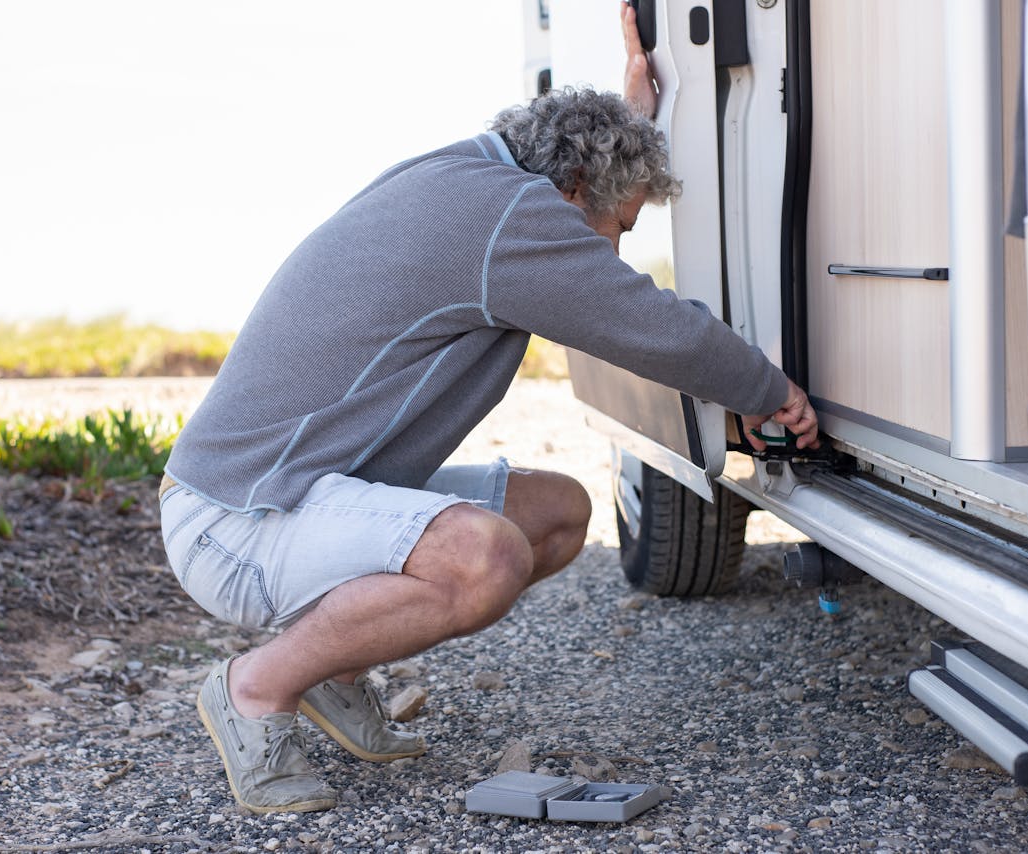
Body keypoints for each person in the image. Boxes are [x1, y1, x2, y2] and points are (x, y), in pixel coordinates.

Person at [158, 4, 819, 814]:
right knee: (486, 559)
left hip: (292, 492)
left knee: (557, 513)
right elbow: (650, 325)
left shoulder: (477, 181)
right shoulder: (510, 219)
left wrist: (632, 122)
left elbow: (588, 228)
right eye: (616, 225)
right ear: (576, 188)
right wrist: (770, 391)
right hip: (238, 519)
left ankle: (330, 669)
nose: (607, 252)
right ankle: (255, 689)